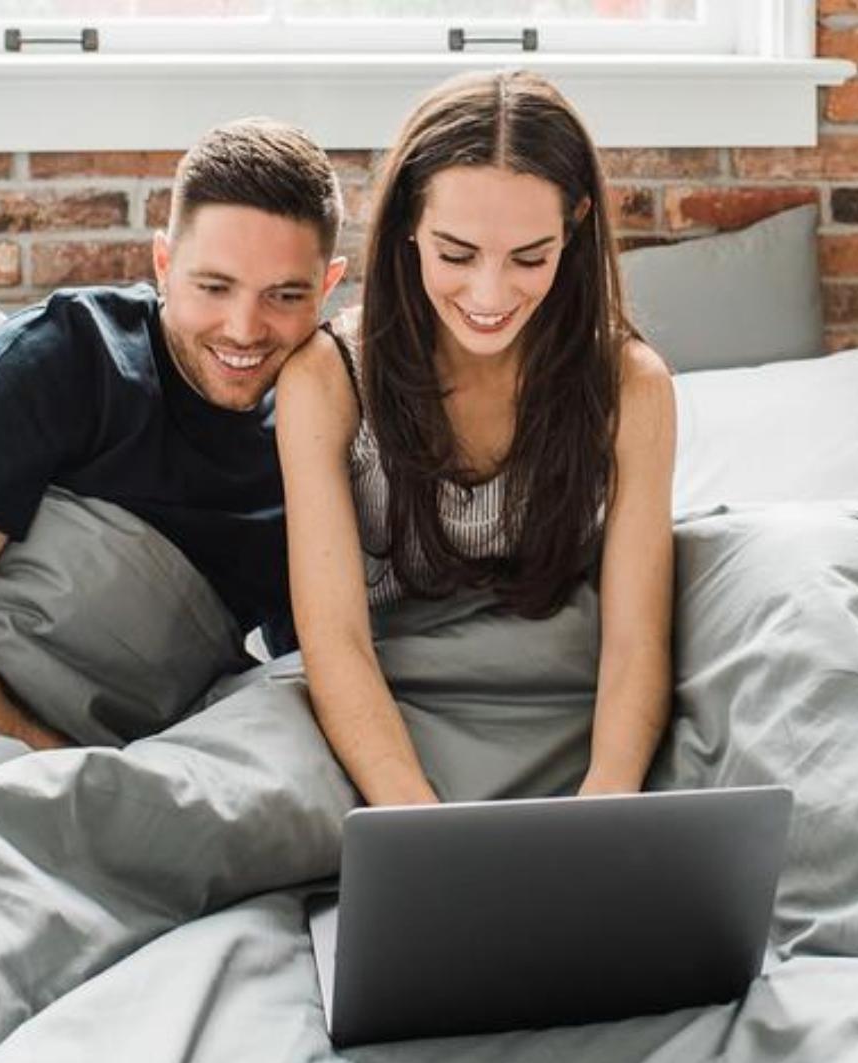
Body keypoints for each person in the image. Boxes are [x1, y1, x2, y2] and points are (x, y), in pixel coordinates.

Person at [0, 118, 346, 750]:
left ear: (328, 286)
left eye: (284, 296)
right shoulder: (66, 357)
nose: (245, 329)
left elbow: (320, 664)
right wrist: (47, 756)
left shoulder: (310, 438)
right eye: (214, 286)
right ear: (163, 262)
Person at [276, 71, 676, 807]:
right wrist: (415, 820)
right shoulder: (326, 380)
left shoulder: (632, 386)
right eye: (456, 254)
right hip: (383, 708)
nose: (490, 296)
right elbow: (334, 643)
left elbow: (634, 647)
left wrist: (608, 800)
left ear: (577, 224)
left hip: (556, 700)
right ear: (407, 226)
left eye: (531, 258)